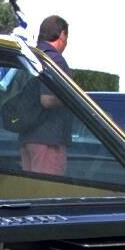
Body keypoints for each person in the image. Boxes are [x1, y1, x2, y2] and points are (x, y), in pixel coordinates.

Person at [18, 15, 73, 175]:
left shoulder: (29, 57)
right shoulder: (55, 60)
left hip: (27, 136)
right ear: (62, 34)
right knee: (47, 192)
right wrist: (71, 100)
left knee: (29, 190)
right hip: (49, 140)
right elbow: (47, 100)